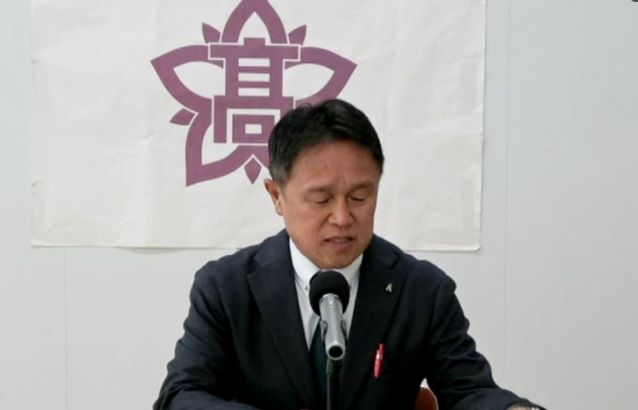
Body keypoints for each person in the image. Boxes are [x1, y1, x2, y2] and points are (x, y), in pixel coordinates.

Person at [154, 99, 544, 410]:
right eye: (321, 198)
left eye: (360, 196)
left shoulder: (422, 290)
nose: (342, 218)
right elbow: (181, 396)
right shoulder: (226, 288)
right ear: (276, 196)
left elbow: (470, 392)